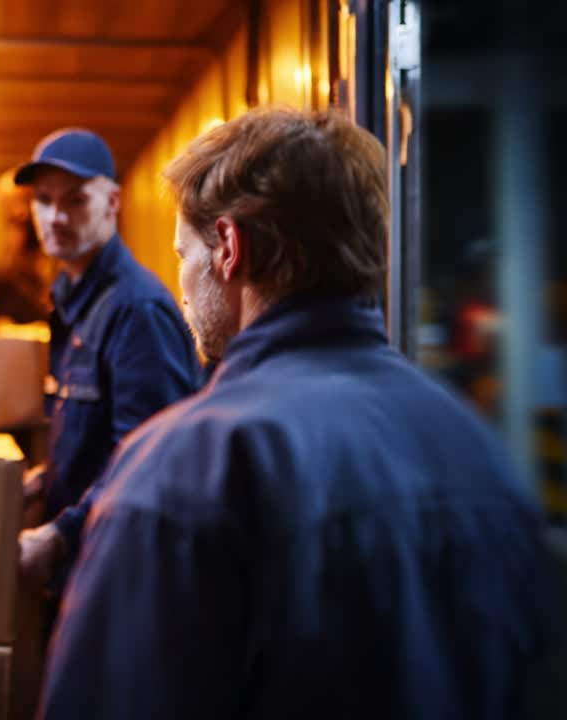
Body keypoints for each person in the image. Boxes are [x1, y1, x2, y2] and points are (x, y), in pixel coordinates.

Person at [39, 108, 558, 718]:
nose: (180, 284)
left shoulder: (183, 469)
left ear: (228, 248)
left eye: (184, 252)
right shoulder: (483, 452)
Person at [14, 128, 201, 588]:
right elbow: (95, 433)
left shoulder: (136, 310)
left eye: (76, 200)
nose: (55, 216)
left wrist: (61, 534)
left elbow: (149, 459)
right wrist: (47, 477)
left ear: (113, 202)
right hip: (87, 567)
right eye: (43, 199)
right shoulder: (74, 298)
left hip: (119, 572)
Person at [0, 168, 56, 325]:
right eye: (11, 202)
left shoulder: (54, 244)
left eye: (26, 199)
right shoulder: (10, 241)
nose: (19, 210)